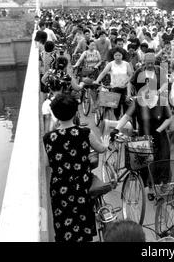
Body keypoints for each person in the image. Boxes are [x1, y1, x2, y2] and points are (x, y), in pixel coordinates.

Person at [43, 94, 110, 242]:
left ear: (54, 114)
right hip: (82, 186)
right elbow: (100, 149)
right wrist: (105, 144)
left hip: (60, 188)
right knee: (83, 220)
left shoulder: (49, 138)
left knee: (63, 221)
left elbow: (47, 163)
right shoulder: (85, 133)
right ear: (75, 112)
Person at [94, 48, 134, 118]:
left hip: (124, 88)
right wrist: (97, 81)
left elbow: (131, 75)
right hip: (115, 88)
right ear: (113, 56)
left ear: (122, 55)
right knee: (116, 109)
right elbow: (103, 73)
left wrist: (128, 86)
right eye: (116, 55)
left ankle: (124, 123)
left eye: (119, 55)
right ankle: (117, 121)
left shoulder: (126, 64)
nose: (118, 57)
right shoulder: (110, 64)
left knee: (126, 108)